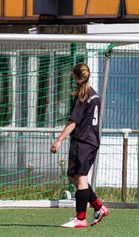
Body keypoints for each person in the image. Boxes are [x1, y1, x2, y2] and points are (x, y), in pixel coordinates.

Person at [51, 63, 109, 228]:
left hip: (83, 141)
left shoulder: (82, 96)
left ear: (76, 78)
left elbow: (73, 122)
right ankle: (98, 207)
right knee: (74, 176)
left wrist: (59, 140)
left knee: (81, 178)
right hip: (91, 141)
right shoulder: (94, 95)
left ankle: (80, 218)